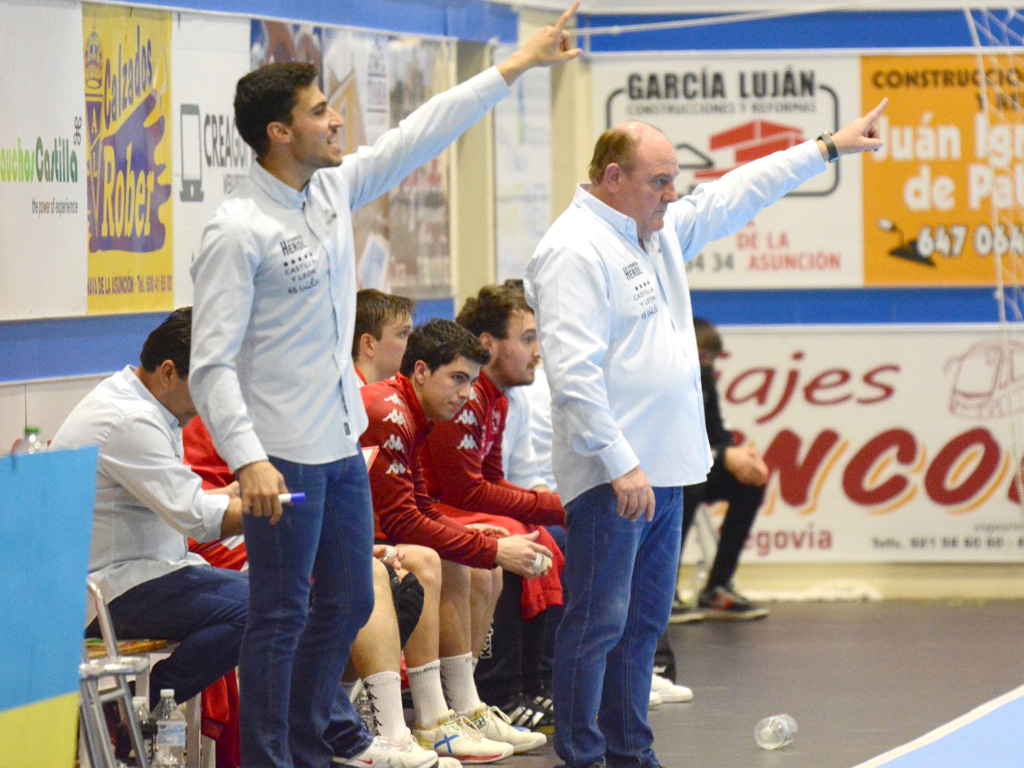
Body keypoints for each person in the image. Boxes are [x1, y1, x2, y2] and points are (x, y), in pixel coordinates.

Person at [188, 9, 580, 766]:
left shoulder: (332, 193)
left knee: (351, 601)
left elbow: (424, 130)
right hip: (283, 462)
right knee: (279, 615)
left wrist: (520, 63)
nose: (337, 121)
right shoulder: (238, 230)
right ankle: (274, 758)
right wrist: (249, 459)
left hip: (339, 452)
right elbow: (209, 364)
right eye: (319, 112)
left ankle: (312, 736)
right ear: (278, 131)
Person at [525, 103, 889, 768]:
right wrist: (619, 462)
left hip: (667, 472)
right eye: (660, 181)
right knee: (595, 627)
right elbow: (572, 377)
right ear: (613, 177)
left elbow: (735, 193)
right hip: (617, 480)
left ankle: (632, 755)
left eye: (674, 182)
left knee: (641, 632)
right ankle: (582, 757)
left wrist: (826, 149)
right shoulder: (573, 250)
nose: (673, 194)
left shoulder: (653, 231)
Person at [362, 318, 555, 761]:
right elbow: (402, 520)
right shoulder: (388, 410)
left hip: (367, 531)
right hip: (347, 540)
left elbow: (421, 507)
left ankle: (463, 707)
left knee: (470, 558)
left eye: (471, 381)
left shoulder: (412, 411)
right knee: (437, 560)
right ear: (423, 371)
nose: (466, 393)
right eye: (458, 379)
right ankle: (430, 721)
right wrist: (492, 547)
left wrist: (471, 539)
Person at [50, 308, 247, 711]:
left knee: (276, 597)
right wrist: (278, 508)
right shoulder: (128, 419)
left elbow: (185, 500)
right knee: (263, 606)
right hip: (103, 590)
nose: (209, 407)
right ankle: (145, 709)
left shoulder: (148, 405)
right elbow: (195, 517)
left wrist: (243, 492)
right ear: (170, 371)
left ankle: (148, 707)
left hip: (144, 574)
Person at [420, 284, 566, 731]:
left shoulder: (495, 398)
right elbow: (465, 492)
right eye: (526, 338)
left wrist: (544, 508)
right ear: (488, 344)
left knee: (540, 537)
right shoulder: (469, 396)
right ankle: (500, 689)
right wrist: (551, 507)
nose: (536, 350)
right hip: (433, 508)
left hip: (448, 504)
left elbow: (491, 478)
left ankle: (536, 680)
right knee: (520, 539)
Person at [670, 317, 770, 622]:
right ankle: (664, 591)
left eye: (712, 358)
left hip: (700, 462)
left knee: (750, 481)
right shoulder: (670, 381)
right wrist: (724, 454)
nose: (708, 364)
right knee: (690, 483)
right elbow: (675, 437)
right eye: (702, 356)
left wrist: (739, 455)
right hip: (667, 470)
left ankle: (717, 587)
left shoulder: (707, 379)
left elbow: (716, 431)